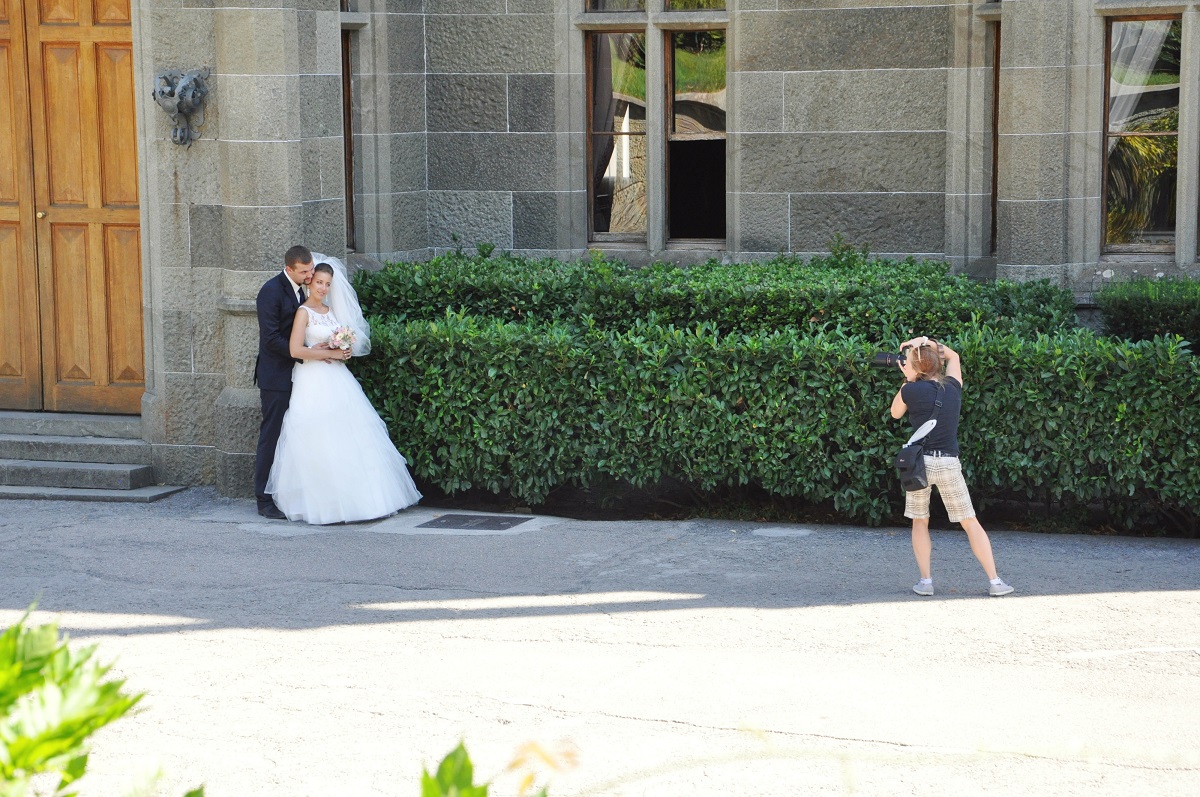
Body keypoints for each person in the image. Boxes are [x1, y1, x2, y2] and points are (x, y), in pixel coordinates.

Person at [265, 259, 422, 524]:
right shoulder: (303, 312)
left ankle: (363, 501)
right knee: (317, 435)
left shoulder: (330, 311)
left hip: (337, 377)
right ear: (310, 282)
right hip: (311, 378)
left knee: (349, 432)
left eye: (327, 284)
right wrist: (329, 352)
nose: (323, 288)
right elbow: (295, 350)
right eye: (319, 283)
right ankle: (323, 505)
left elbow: (341, 346)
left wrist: (344, 351)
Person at [889, 335, 1014, 597]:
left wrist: (908, 379)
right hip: (948, 462)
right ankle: (995, 582)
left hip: (919, 464)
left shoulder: (908, 389)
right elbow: (954, 357)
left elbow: (895, 413)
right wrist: (927, 343)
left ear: (916, 368)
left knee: (920, 521)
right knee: (970, 521)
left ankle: (925, 582)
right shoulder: (953, 386)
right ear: (937, 364)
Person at [254, 246, 347, 519]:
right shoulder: (270, 292)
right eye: (305, 272)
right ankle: (263, 499)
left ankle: (296, 494)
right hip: (276, 376)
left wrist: (317, 347)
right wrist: (310, 351)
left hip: (303, 376)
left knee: (296, 437)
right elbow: (271, 339)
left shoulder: (302, 291)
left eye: (311, 270)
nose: (310, 276)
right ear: (290, 268)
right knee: (272, 436)